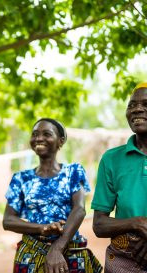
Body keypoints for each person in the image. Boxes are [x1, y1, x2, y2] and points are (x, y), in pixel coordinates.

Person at [3, 118, 102, 273]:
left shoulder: (73, 172)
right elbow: (8, 220)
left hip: (70, 252)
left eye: (46, 134)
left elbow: (80, 209)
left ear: (60, 141)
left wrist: (57, 248)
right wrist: (41, 228)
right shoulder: (21, 178)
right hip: (31, 255)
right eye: (35, 134)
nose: (39, 138)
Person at [91, 82, 147, 272]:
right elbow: (99, 224)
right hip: (124, 261)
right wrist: (138, 223)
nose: (137, 109)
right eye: (132, 105)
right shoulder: (112, 159)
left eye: (145, 105)